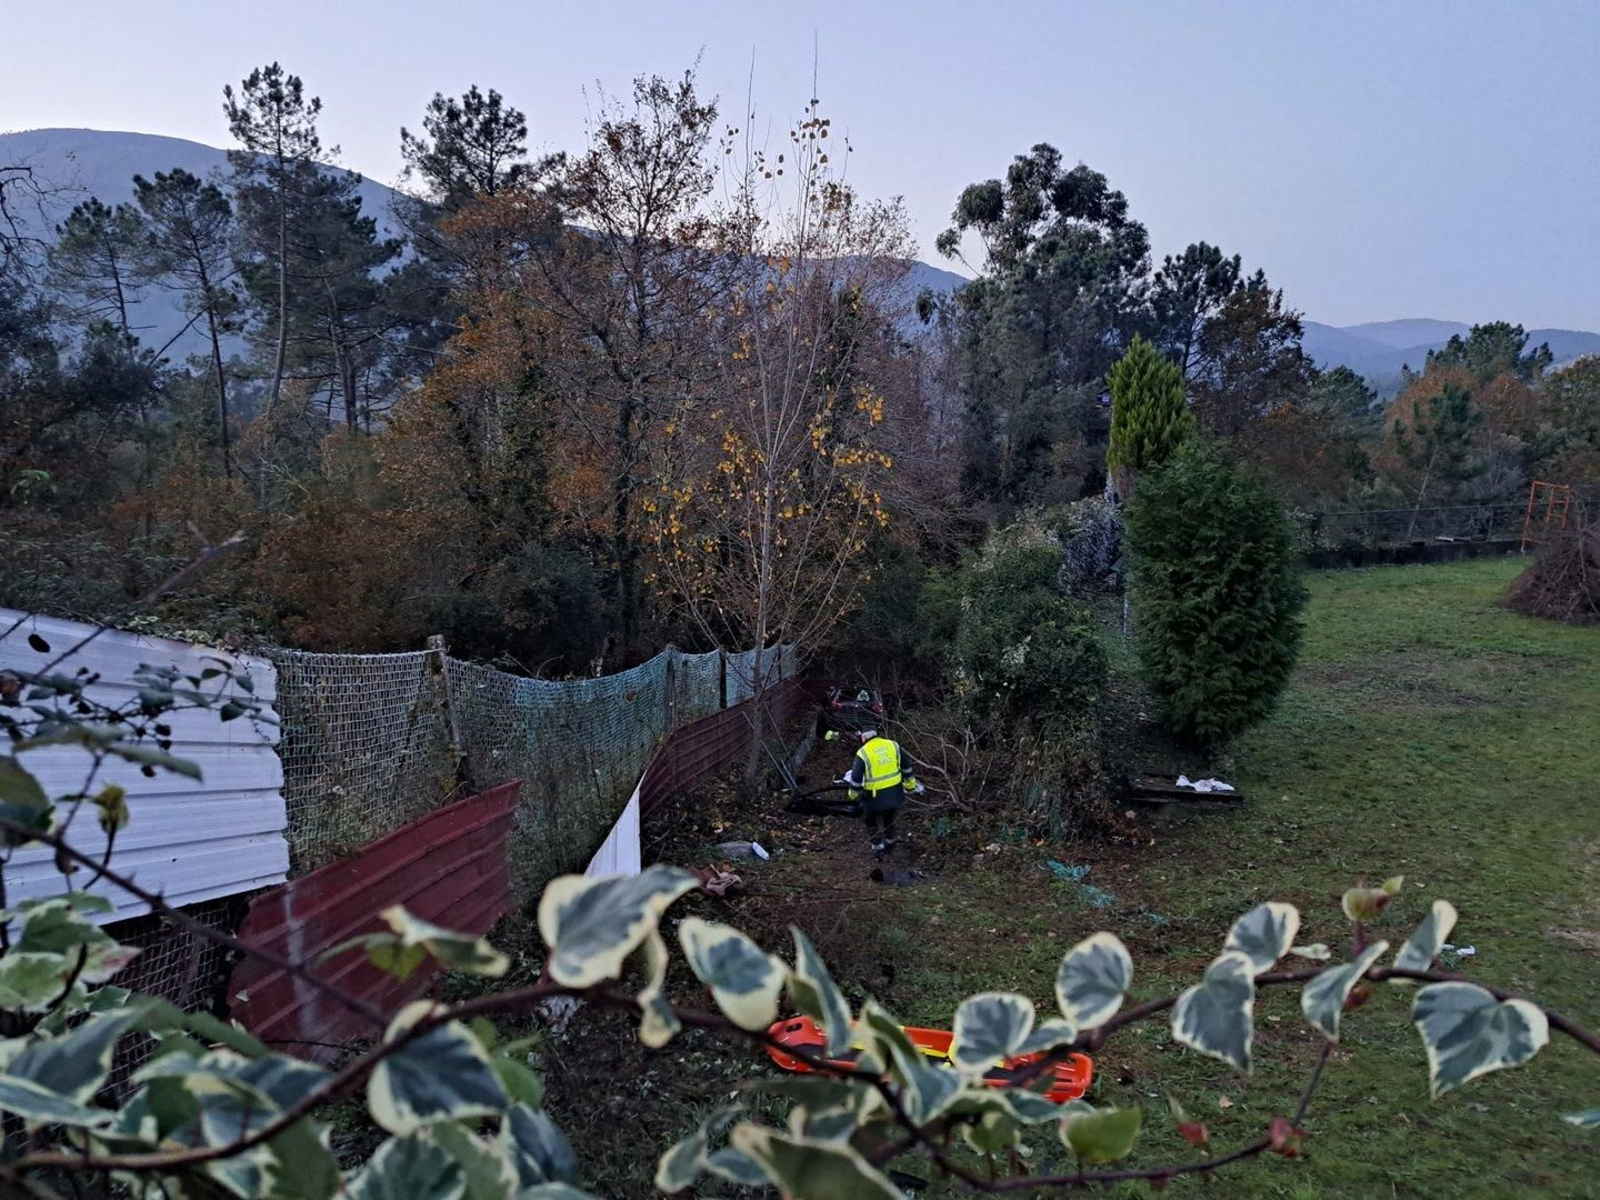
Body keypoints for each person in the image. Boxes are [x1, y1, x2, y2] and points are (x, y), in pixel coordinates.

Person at [841, 727, 922, 855]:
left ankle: (878, 847)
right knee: (889, 820)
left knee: (870, 821)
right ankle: (890, 842)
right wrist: (911, 786)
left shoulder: (863, 753)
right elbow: (907, 767)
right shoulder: (893, 745)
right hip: (896, 795)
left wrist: (853, 796)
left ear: (863, 738)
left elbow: (856, 779)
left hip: (874, 799)